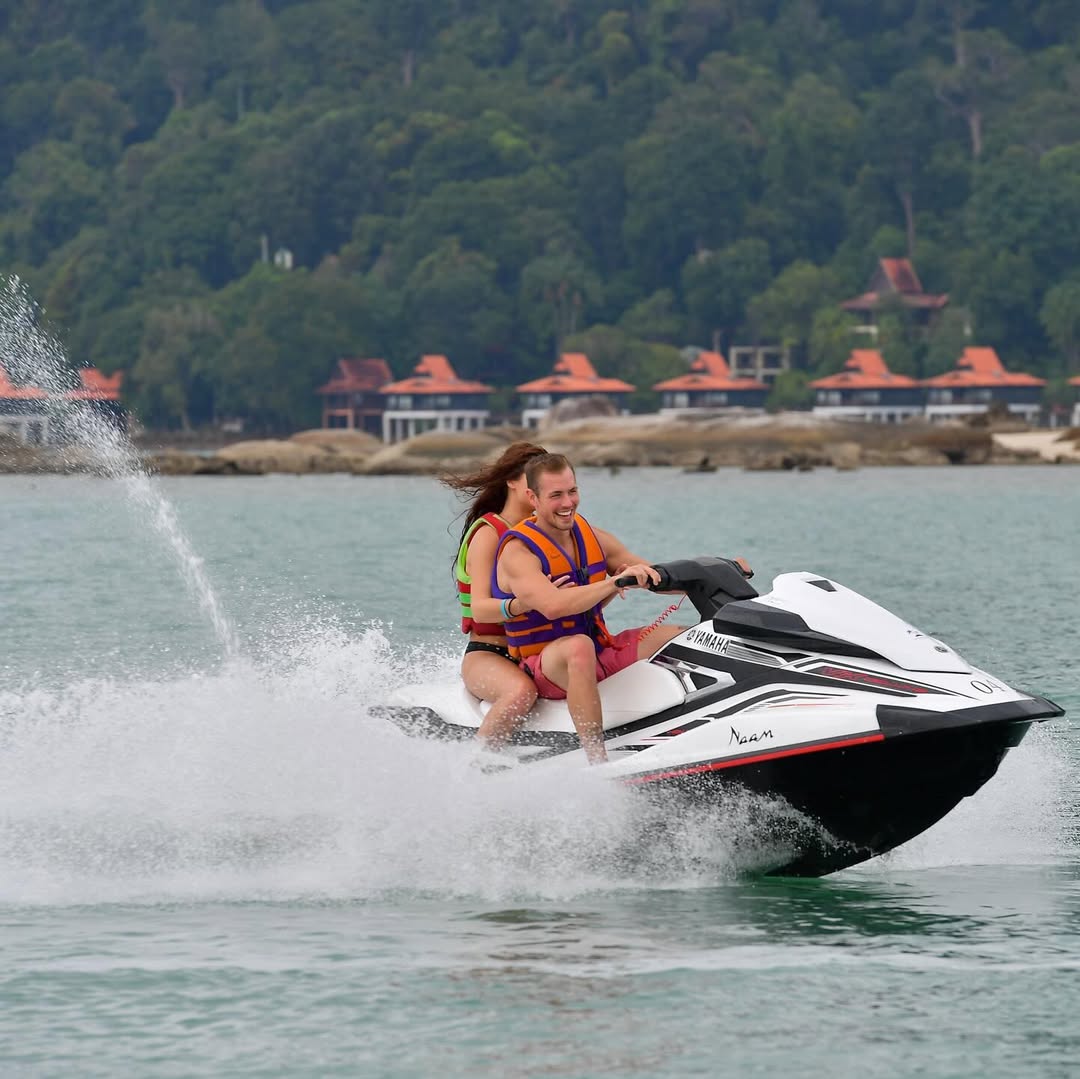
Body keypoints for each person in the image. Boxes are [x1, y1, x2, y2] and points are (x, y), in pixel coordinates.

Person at [493, 453, 687, 764]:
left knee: (682, 636)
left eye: (572, 491)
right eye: (556, 495)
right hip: (546, 666)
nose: (567, 502)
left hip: (598, 650)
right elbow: (553, 606)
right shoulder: (519, 552)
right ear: (533, 497)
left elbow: (652, 574)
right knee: (578, 647)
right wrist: (615, 583)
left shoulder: (590, 535)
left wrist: (710, 574)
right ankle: (597, 761)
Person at [442, 441, 556, 752]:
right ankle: (477, 769)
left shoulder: (544, 531)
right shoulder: (488, 533)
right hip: (489, 655)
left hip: (536, 652)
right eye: (532, 481)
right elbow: (480, 610)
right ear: (511, 481)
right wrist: (522, 604)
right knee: (520, 692)